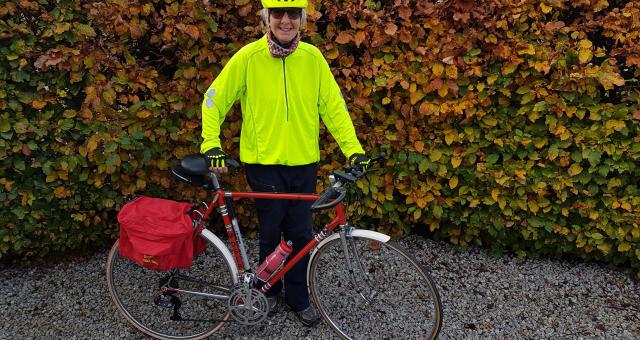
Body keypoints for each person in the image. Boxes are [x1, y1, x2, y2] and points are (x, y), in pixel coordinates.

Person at [200, 0, 370, 327]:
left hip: (304, 163)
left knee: (301, 231)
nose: (286, 21)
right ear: (267, 17)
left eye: (293, 13)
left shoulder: (313, 59)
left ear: (302, 19)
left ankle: (298, 296)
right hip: (263, 164)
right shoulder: (248, 58)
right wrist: (211, 143)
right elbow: (213, 99)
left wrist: (354, 150)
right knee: (272, 231)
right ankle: (269, 290)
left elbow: (334, 108)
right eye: (278, 13)